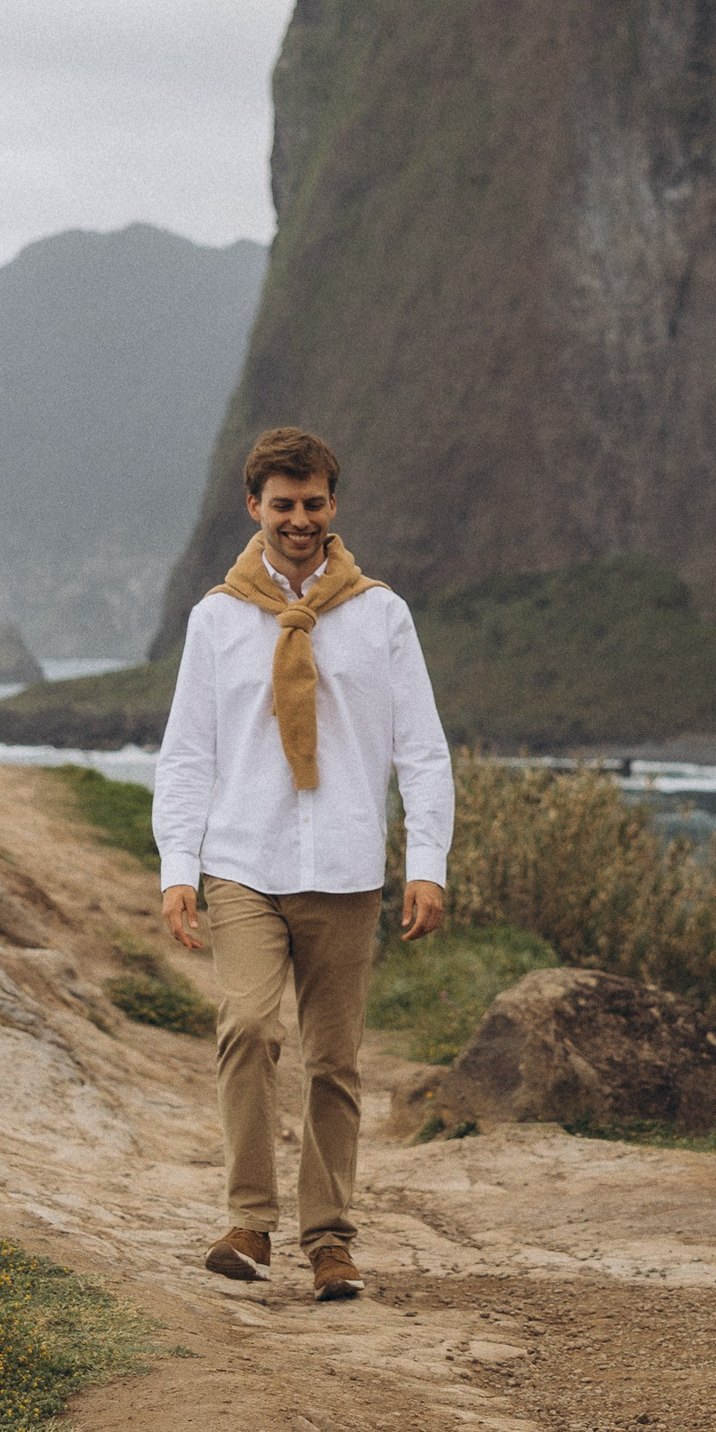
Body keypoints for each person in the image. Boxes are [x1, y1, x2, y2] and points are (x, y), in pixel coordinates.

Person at [154, 425, 454, 1303]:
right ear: (254, 507)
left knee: (334, 1061)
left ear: (333, 504)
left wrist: (426, 861)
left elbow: (422, 749)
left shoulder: (382, 615)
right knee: (248, 1026)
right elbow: (186, 754)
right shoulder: (216, 618)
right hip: (242, 861)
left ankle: (330, 1240)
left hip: (348, 868)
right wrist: (179, 864)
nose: (298, 519)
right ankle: (249, 1222)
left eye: (312, 503)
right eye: (281, 504)